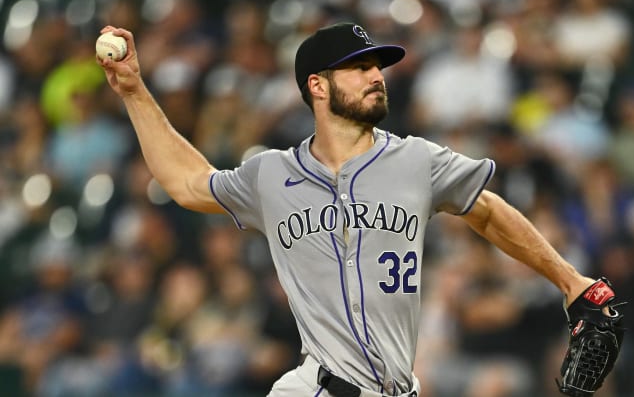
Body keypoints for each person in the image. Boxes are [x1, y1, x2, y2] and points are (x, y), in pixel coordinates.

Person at [98, 22, 599, 397]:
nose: (376, 76)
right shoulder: (271, 174)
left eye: (377, 67)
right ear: (318, 86)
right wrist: (135, 91)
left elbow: (487, 211)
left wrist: (570, 281)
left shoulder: (418, 159)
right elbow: (187, 182)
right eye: (359, 67)